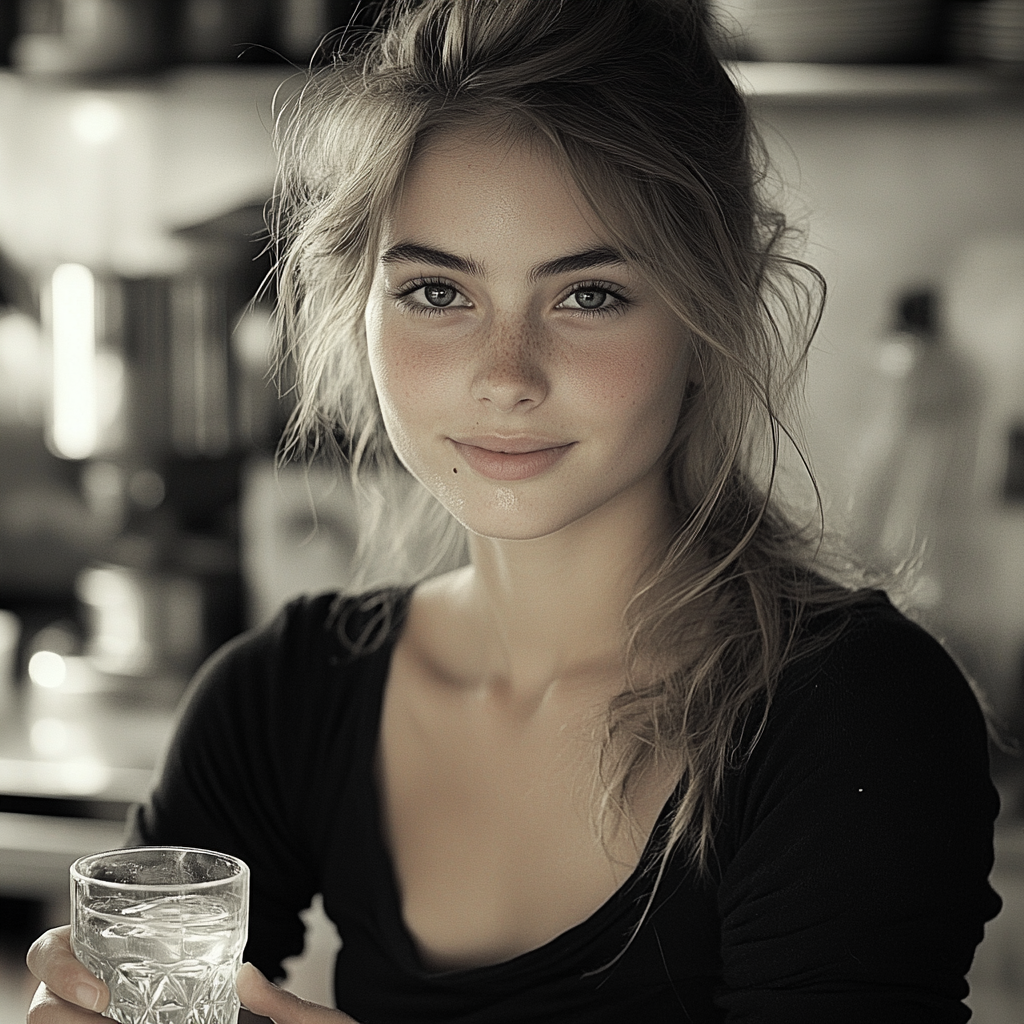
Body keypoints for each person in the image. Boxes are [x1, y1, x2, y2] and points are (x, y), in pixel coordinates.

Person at [26, 1, 1002, 1022]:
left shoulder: (857, 715)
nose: (504, 378)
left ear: (713, 312)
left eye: (588, 296)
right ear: (356, 302)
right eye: (438, 294)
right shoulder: (276, 702)